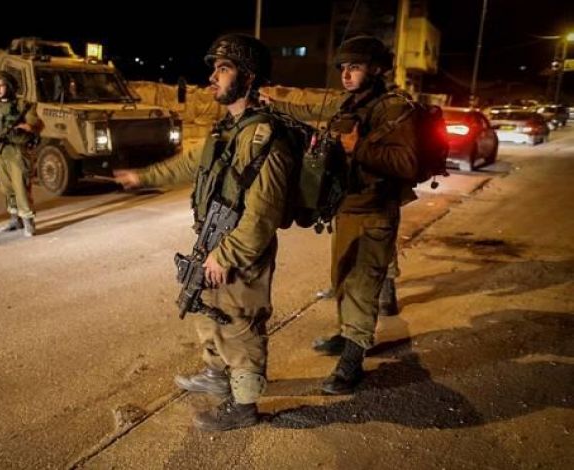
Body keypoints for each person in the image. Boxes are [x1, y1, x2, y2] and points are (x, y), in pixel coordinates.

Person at [114, 34, 295, 432]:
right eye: (214, 68)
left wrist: (225, 256)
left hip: (241, 252)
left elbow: (262, 217)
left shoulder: (265, 140)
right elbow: (186, 166)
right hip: (213, 241)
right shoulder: (226, 131)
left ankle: (244, 408)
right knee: (208, 311)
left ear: (248, 77)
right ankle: (217, 377)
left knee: (240, 325)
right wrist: (141, 177)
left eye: (223, 69)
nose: (212, 77)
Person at [264, 35, 418, 394]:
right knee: (343, 279)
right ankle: (347, 335)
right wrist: (272, 101)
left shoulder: (393, 108)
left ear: (376, 70)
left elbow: (407, 162)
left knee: (362, 286)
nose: (346, 74)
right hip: (347, 208)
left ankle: (353, 359)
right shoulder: (349, 102)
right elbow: (310, 108)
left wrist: (358, 146)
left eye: (355, 67)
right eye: (343, 68)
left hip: (375, 213)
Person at [0, 71, 40, 236]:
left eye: (1, 86)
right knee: (6, 186)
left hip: (17, 150)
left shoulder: (22, 105)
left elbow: (35, 123)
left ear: (10, 87)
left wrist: (26, 127)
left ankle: (28, 220)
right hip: (0, 150)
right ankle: (15, 219)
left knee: (21, 186)